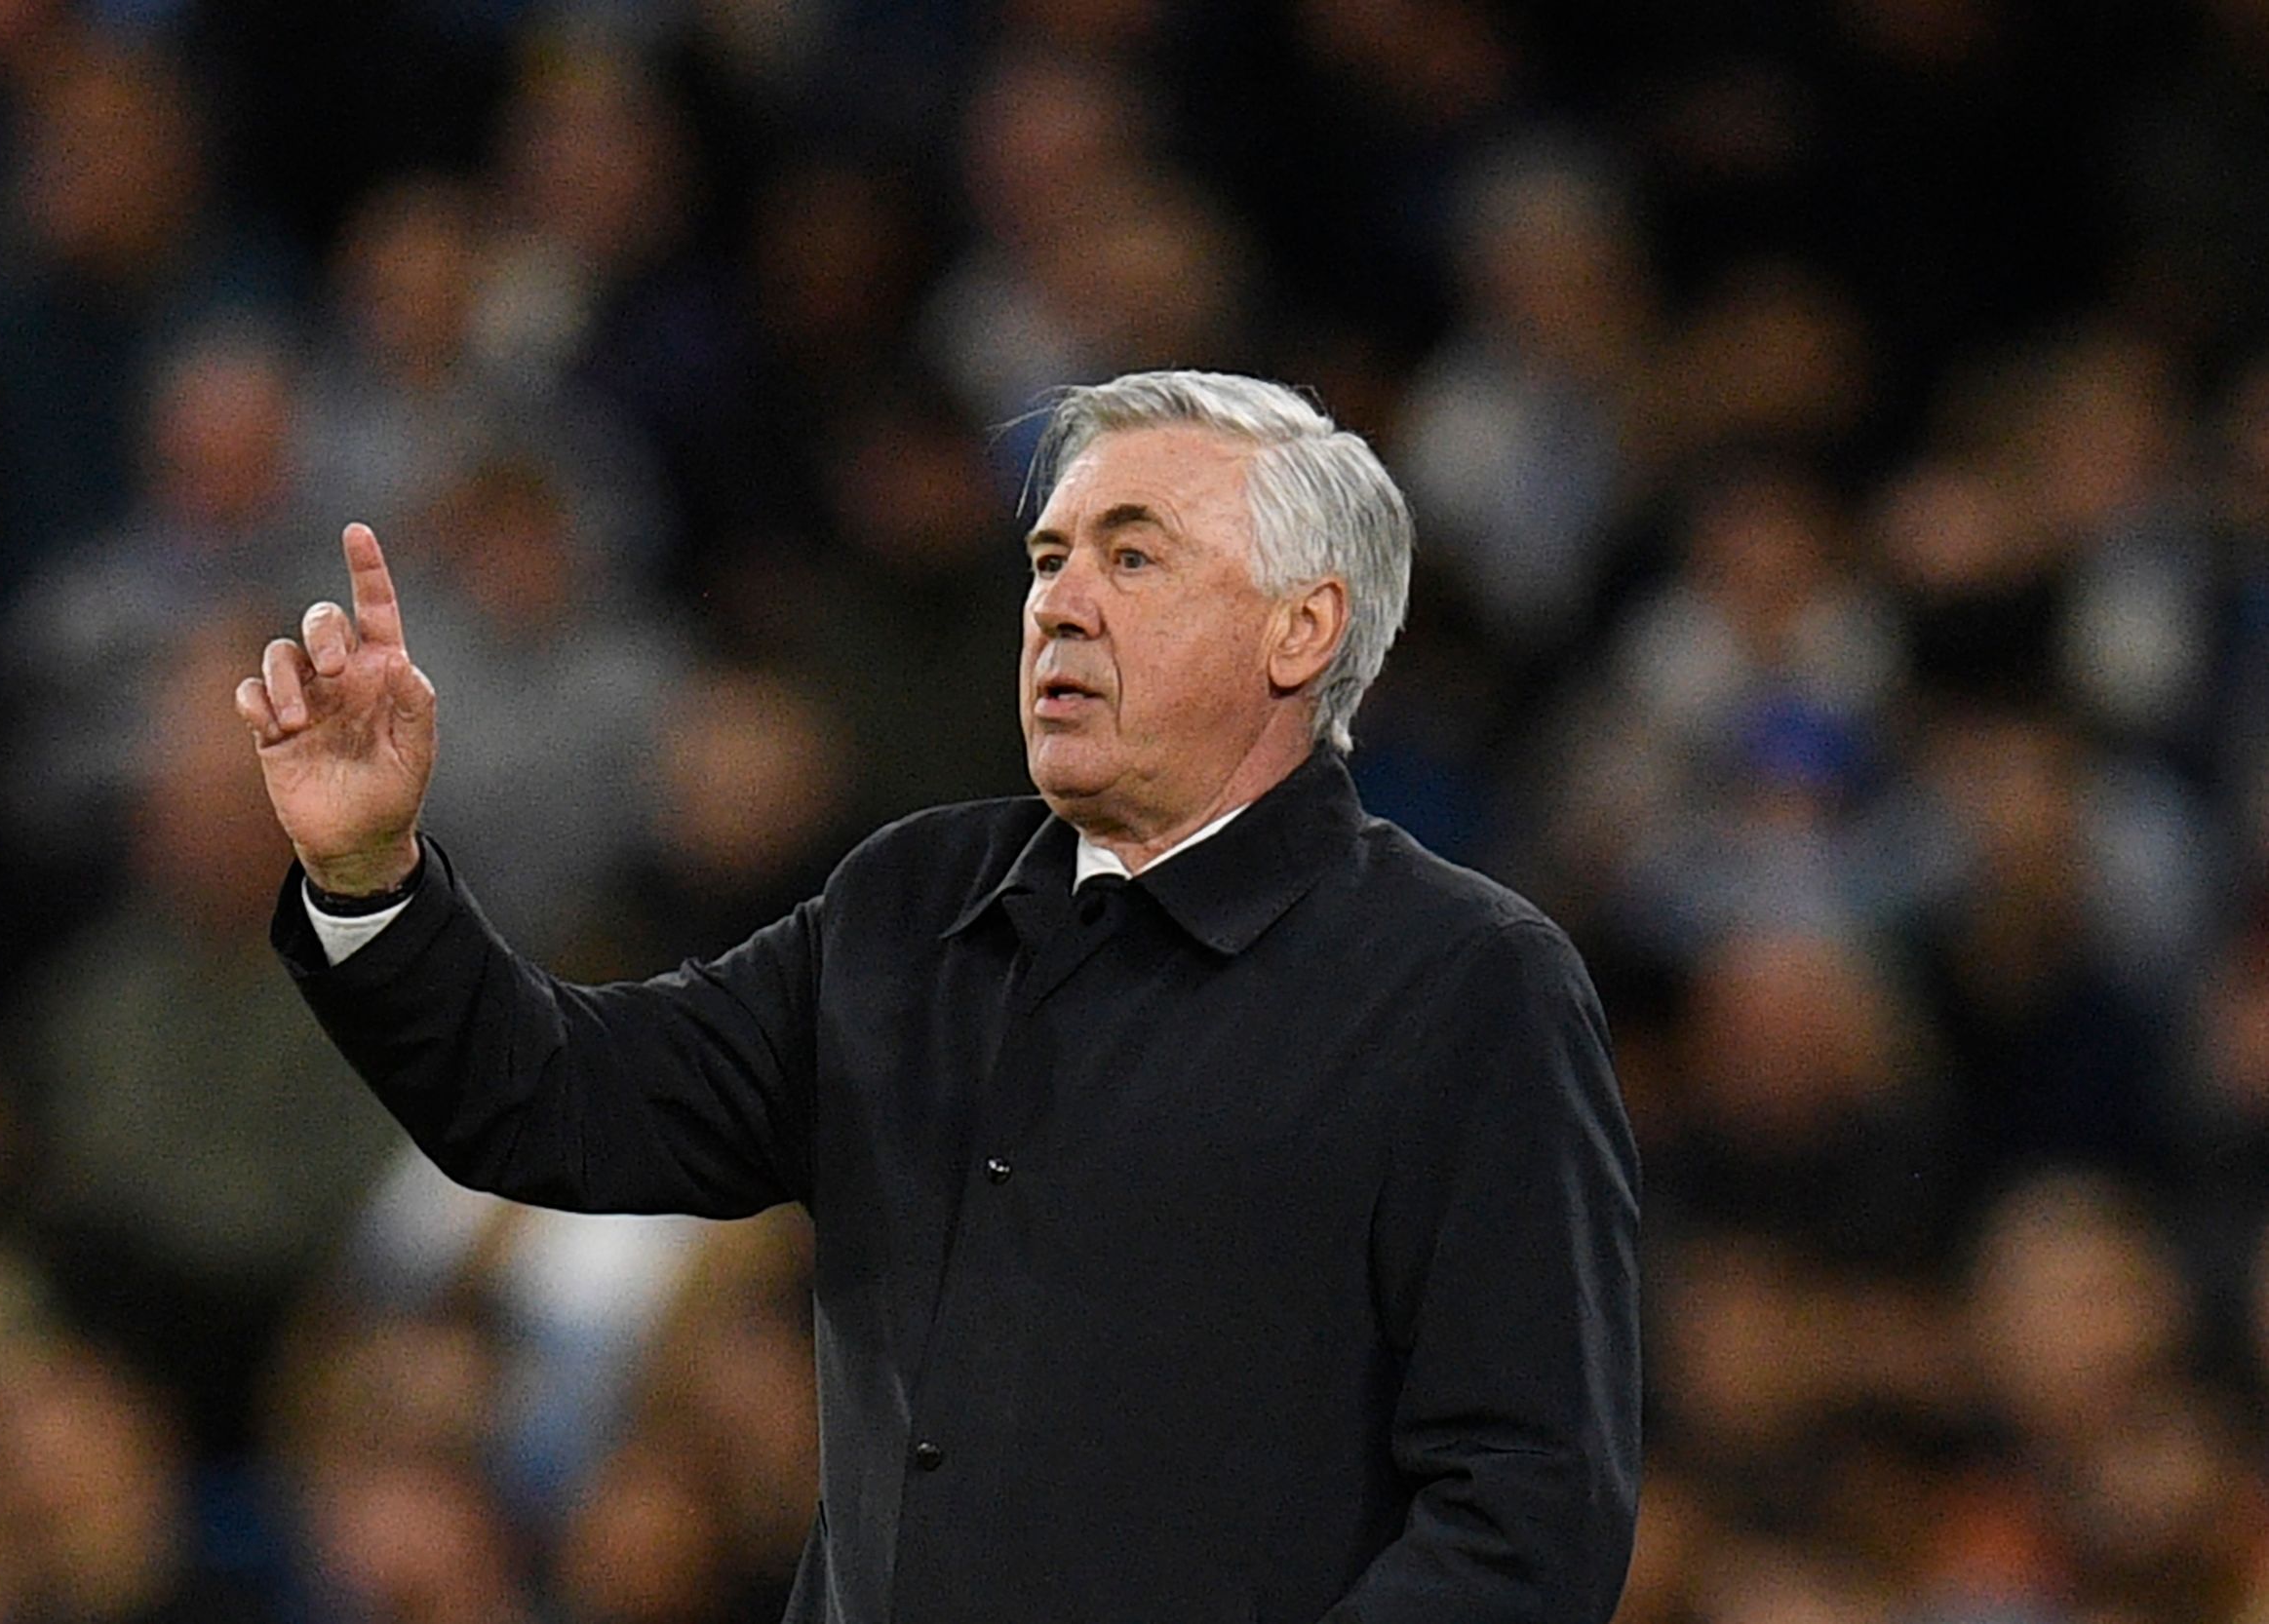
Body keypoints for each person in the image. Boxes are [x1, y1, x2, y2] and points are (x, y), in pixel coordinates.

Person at [237, 370, 1641, 1623]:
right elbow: (554, 1101)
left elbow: (1527, 1510)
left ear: (1300, 630)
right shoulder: (911, 907)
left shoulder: (1467, 983)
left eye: (1132, 553)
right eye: (1047, 558)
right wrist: (372, 872)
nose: (1061, 602)